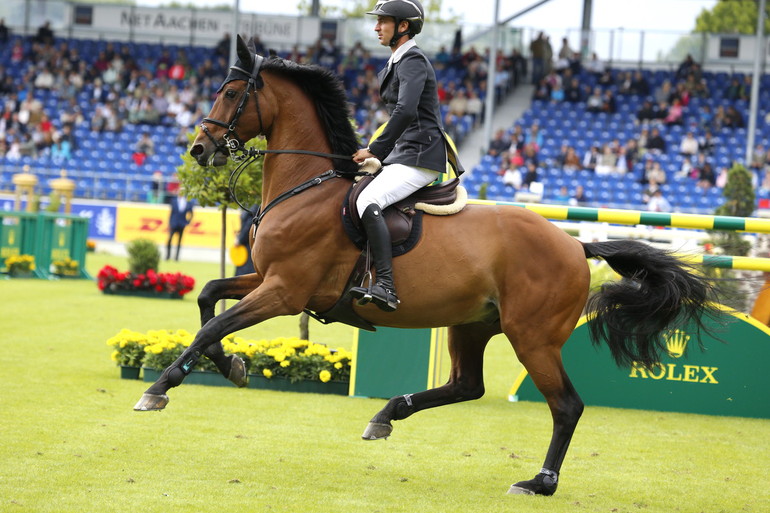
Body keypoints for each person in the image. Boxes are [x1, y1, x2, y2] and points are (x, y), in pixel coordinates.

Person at [351, 0, 460, 312]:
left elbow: (405, 111)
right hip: (405, 153)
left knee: (366, 202)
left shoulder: (412, 59)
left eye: (383, 22)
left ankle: (385, 284)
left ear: (403, 26)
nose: (376, 27)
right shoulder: (398, 61)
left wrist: (376, 150)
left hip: (421, 155)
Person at [166, 194, 193, 261]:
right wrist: (170, 223)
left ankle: (176, 257)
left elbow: (191, 213)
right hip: (174, 224)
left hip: (182, 224)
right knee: (169, 240)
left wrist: (187, 222)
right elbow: (171, 213)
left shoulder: (187, 202)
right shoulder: (174, 201)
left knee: (179, 241)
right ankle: (168, 256)